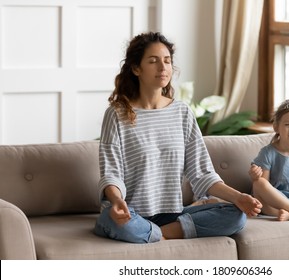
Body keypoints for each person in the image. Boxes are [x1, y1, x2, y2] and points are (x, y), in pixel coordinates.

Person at [93, 32, 262, 243]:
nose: (163, 68)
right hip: (130, 214)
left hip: (171, 214)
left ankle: (156, 234)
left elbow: (202, 173)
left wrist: (239, 197)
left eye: (167, 61)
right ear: (136, 69)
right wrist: (117, 201)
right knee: (113, 221)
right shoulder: (117, 114)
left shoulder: (181, 112)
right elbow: (112, 173)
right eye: (153, 61)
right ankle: (167, 231)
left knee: (236, 217)